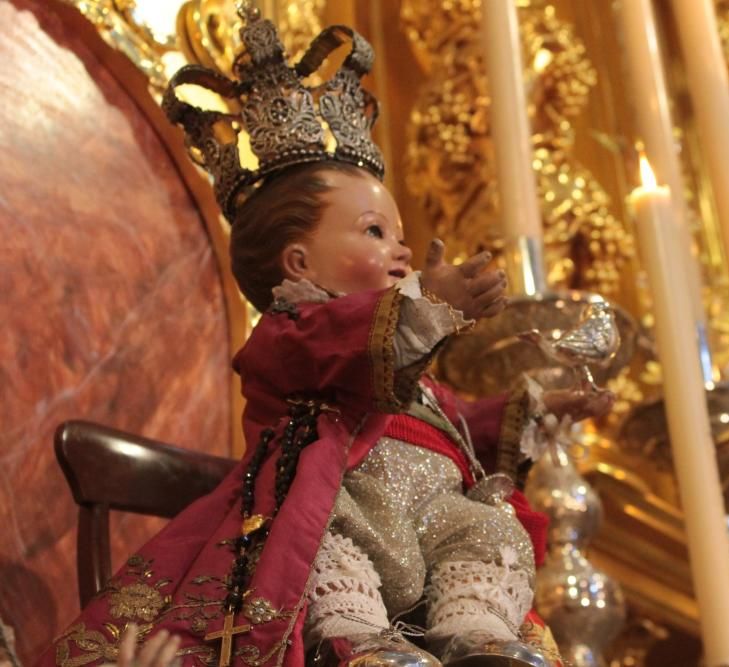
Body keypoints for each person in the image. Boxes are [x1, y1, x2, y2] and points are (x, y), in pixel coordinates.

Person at [42, 7, 612, 667]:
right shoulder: (295, 332)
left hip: (431, 529)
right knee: (318, 536)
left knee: (490, 529)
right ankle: (361, 640)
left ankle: (476, 635)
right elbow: (337, 346)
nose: (399, 250)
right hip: (345, 512)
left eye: (399, 236)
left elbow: (459, 426)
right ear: (298, 263)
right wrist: (424, 302)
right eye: (374, 231)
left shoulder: (413, 369)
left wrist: (534, 409)